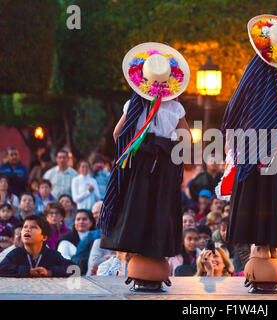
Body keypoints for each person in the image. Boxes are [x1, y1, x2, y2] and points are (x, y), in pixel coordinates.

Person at [222, 15, 277, 264]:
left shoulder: (256, 69)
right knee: (274, 200)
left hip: (258, 143)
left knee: (262, 198)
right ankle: (269, 254)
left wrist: (232, 135)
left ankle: (263, 255)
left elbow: (237, 105)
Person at [98, 43, 191, 279]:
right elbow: (186, 139)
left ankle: (134, 255)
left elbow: (118, 134)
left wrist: (135, 150)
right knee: (160, 209)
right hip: (165, 165)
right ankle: (155, 251)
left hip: (139, 163)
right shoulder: (177, 108)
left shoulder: (133, 104)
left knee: (136, 207)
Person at [0, 215, 75, 277]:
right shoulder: (16, 253)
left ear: (44, 237)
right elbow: (2, 268)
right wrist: (27, 272)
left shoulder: (51, 254)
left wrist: (50, 272)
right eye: (25, 227)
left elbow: (74, 268)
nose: (27, 230)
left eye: (33, 227)